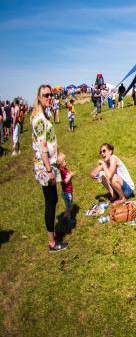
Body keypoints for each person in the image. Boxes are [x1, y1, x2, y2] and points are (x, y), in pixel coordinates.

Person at [31, 85, 67, 252]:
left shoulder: (45, 114)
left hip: (50, 163)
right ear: (39, 98)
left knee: (53, 199)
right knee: (50, 202)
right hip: (45, 167)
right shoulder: (39, 118)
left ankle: (53, 235)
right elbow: (42, 147)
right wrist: (49, 169)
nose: (49, 97)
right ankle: (52, 243)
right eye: (45, 95)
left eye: (50, 94)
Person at [57, 152, 76, 226]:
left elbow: (68, 177)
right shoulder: (61, 172)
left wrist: (71, 175)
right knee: (69, 207)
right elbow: (65, 182)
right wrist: (70, 176)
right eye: (64, 161)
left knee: (69, 206)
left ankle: (64, 217)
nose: (66, 161)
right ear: (60, 164)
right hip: (66, 193)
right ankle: (68, 220)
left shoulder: (65, 169)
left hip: (68, 191)